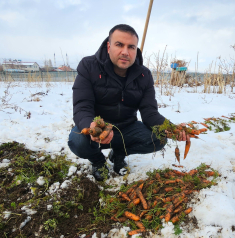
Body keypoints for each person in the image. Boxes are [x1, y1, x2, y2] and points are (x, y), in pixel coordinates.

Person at [68, 24, 188, 181]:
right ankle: (98, 162)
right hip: (100, 127)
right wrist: (92, 127)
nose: (125, 52)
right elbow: (82, 106)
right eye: (119, 45)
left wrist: (170, 128)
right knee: (77, 140)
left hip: (127, 127)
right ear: (109, 46)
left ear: (136, 50)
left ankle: (118, 155)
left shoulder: (144, 75)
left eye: (131, 47)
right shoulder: (89, 66)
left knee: (159, 138)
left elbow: (149, 113)